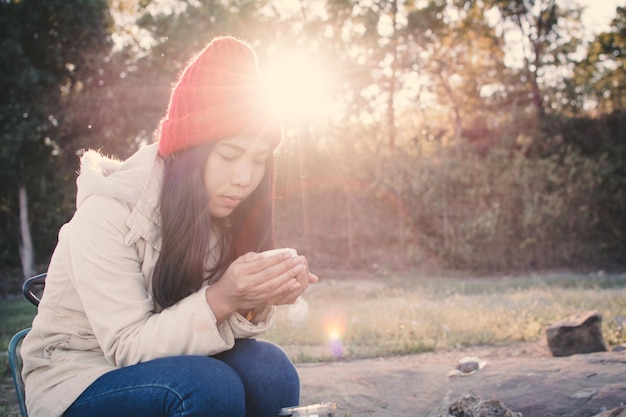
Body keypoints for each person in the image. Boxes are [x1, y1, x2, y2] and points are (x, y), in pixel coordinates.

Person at [21, 36, 319, 417]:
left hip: (173, 363)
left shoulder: (219, 212)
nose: (245, 178)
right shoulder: (108, 211)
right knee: (208, 386)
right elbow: (128, 345)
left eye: (259, 159)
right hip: (76, 376)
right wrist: (224, 296)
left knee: (271, 370)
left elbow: (205, 325)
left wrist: (257, 297)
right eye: (228, 155)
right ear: (187, 152)